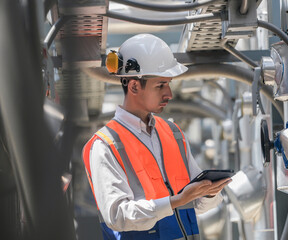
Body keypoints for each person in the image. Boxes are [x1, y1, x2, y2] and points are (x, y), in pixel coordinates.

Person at [82, 34, 232, 240]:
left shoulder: (173, 133)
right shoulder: (105, 145)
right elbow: (117, 216)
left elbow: (196, 205)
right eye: (160, 85)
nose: (169, 93)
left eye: (168, 84)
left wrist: (210, 192)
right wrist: (174, 202)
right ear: (134, 86)